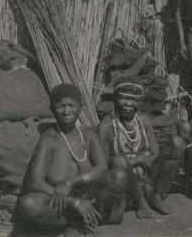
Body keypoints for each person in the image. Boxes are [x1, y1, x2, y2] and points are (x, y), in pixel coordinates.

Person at [14, 84, 128, 236]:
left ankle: (92, 219)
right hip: (62, 204)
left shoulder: (89, 135)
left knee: (119, 176)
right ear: (52, 109)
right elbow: (34, 181)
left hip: (89, 196)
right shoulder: (49, 139)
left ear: (80, 108)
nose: (66, 111)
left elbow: (102, 166)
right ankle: (75, 224)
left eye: (71, 105)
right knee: (28, 204)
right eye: (60, 106)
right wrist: (73, 202)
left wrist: (72, 182)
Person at [97, 76, 182, 218]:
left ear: (140, 101)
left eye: (134, 99)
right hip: (125, 182)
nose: (128, 103)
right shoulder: (106, 126)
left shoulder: (143, 120)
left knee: (177, 142)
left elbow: (155, 153)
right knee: (119, 161)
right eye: (123, 98)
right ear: (115, 99)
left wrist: (142, 161)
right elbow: (105, 165)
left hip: (147, 176)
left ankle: (156, 196)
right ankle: (141, 202)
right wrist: (137, 160)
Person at [143, 76, 192, 202]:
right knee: (181, 137)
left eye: (164, 101)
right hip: (148, 163)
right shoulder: (139, 117)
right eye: (156, 100)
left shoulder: (169, 121)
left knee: (185, 131)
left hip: (166, 161)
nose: (163, 105)